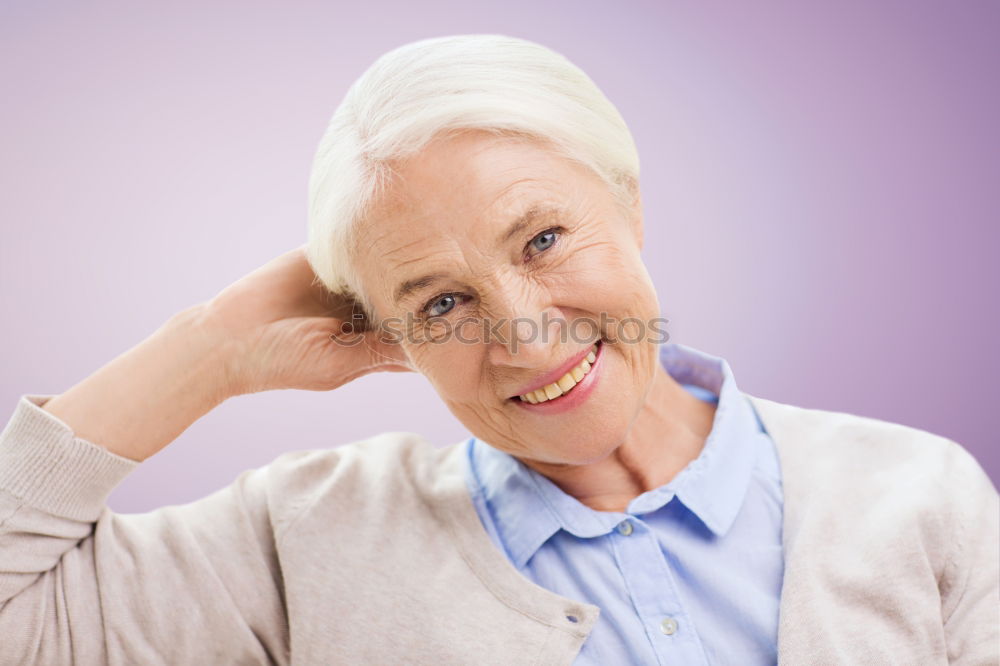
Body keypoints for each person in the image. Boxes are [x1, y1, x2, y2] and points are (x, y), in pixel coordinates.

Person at [1, 34, 996, 666]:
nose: (523, 334)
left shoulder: (913, 490)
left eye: (544, 239)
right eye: (440, 302)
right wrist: (209, 348)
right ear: (387, 335)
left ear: (629, 202)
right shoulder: (307, 539)